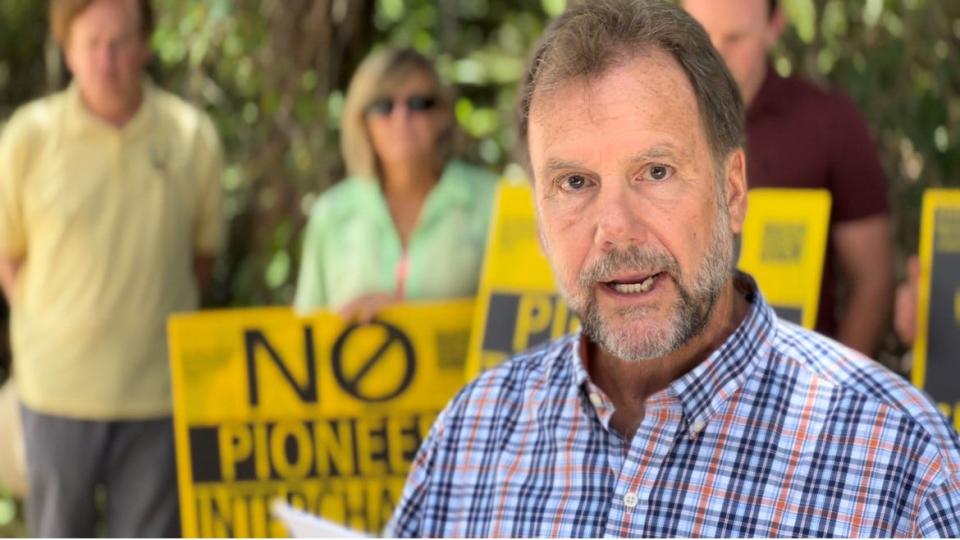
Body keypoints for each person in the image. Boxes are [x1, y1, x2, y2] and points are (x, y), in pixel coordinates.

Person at [385, 1, 960, 536]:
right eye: (575, 183)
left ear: (733, 191)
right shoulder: (471, 436)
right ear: (537, 218)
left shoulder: (899, 460)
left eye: (655, 172)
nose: (616, 227)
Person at [0, 0, 223, 535]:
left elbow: (201, 259)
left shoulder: (191, 135)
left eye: (120, 42)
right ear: (68, 49)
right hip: (54, 394)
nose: (107, 58)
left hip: (158, 395)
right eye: (91, 43)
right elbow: (9, 257)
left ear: (146, 45)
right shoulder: (29, 137)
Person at [683, 0, 894, 358]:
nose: (715, 56)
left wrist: (834, 397)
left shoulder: (829, 123)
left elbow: (872, 280)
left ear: (774, 25)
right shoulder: (643, 124)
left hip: (794, 388)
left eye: (736, 38)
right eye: (700, 35)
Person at [294, 48, 497, 320]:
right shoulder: (330, 213)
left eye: (418, 104)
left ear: (442, 115)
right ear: (362, 121)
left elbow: (519, 326)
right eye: (383, 106)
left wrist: (409, 320)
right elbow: (305, 331)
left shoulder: (493, 201)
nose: (401, 118)